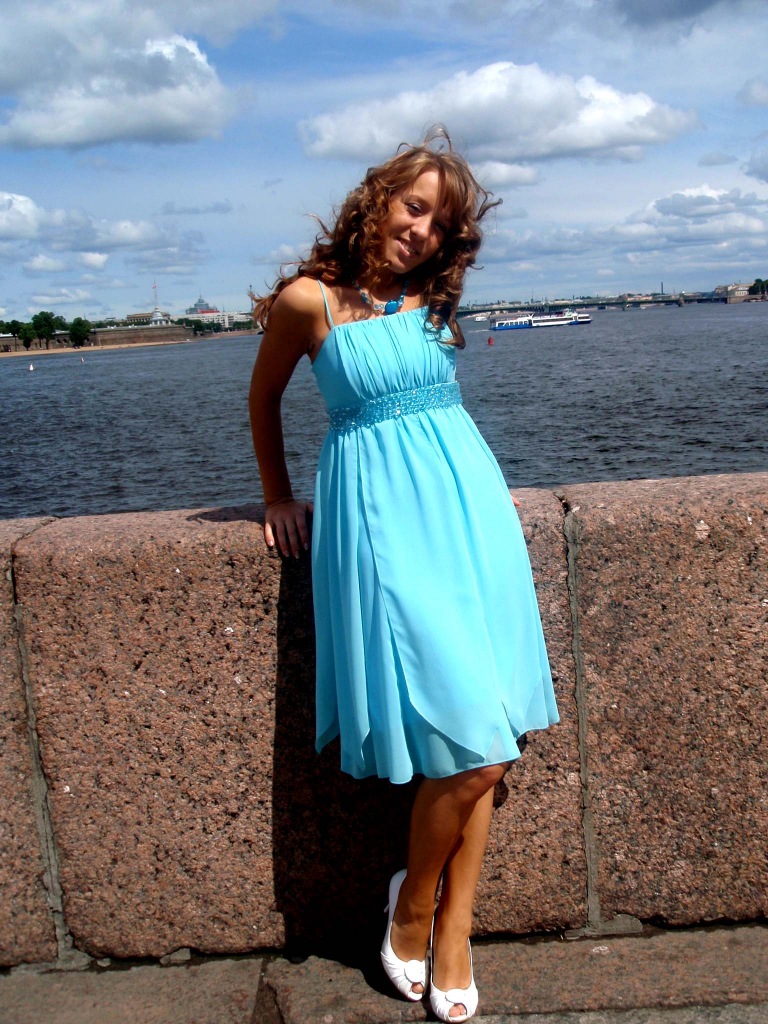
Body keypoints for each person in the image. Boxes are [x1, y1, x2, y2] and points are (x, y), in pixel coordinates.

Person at [249, 126, 558, 1023]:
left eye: (440, 222)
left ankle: (447, 922)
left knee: (488, 732)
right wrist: (277, 497)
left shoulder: (432, 299)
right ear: (377, 199)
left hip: (469, 512)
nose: (421, 230)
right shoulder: (308, 302)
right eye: (413, 206)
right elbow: (262, 400)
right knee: (478, 740)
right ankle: (415, 905)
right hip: (381, 519)